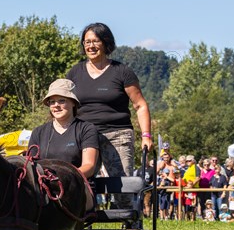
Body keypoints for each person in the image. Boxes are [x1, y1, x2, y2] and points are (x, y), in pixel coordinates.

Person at [66, 22, 152, 208]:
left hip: (117, 134)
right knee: (79, 183)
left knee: (121, 187)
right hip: (85, 137)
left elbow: (140, 105)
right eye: (86, 42)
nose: (90, 46)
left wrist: (146, 136)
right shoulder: (74, 73)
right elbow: (65, 105)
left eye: (95, 41)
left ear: (106, 43)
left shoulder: (121, 72)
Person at [28, 78, 99, 212]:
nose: (56, 105)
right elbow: (31, 164)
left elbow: (89, 166)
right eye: (52, 102)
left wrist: (61, 178)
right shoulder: (38, 132)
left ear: (73, 103)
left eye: (62, 100)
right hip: (44, 190)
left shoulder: (86, 129)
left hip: (77, 187)